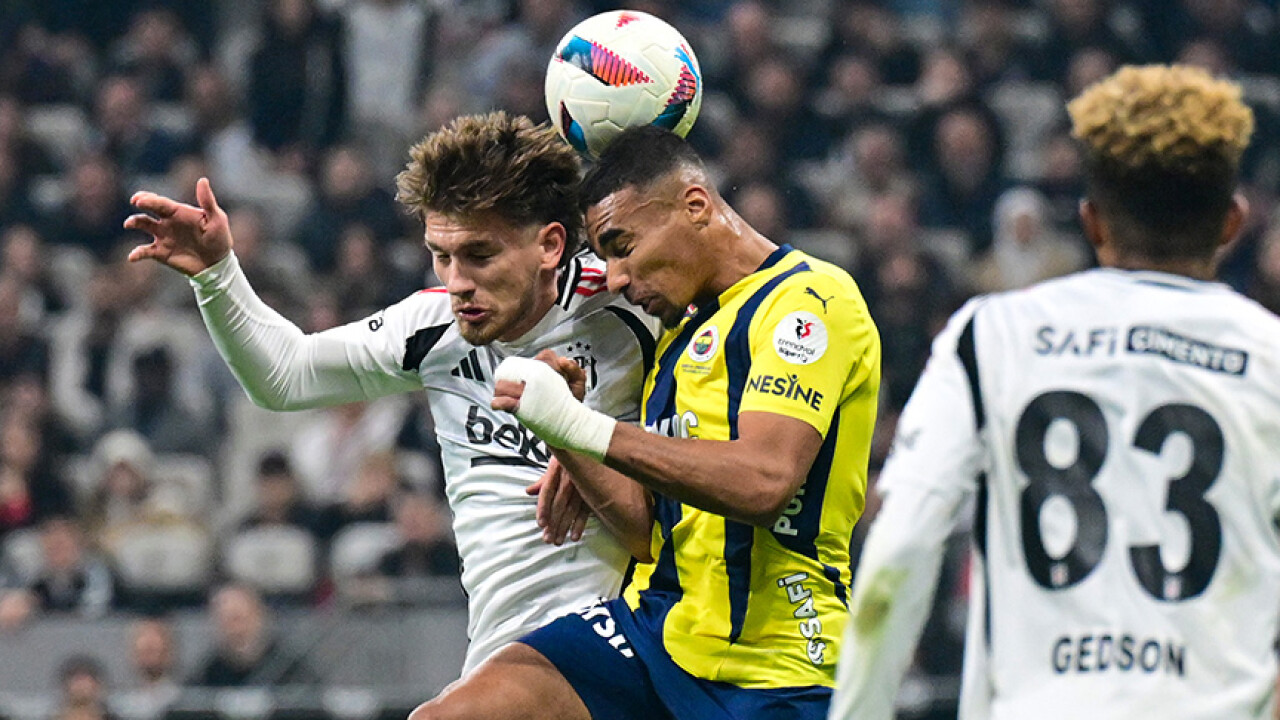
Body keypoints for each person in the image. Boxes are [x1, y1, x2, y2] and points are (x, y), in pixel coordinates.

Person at [123, 111, 657, 675]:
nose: (457, 283)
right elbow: (285, 375)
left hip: (624, 641)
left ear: (549, 245)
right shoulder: (434, 328)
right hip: (502, 652)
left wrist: (587, 445)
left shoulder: (633, 307)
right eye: (441, 256)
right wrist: (216, 274)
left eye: (480, 255)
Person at [829, 64, 1280, 720]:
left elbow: (898, 554)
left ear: (1091, 221)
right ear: (1232, 223)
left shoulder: (991, 336)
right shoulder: (1269, 356)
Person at [415, 126, 881, 719]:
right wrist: (564, 431)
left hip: (778, 663)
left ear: (696, 206)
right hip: (652, 633)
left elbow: (763, 482)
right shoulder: (677, 336)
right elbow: (647, 532)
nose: (614, 278)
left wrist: (583, 430)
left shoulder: (809, 302)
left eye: (622, 245)